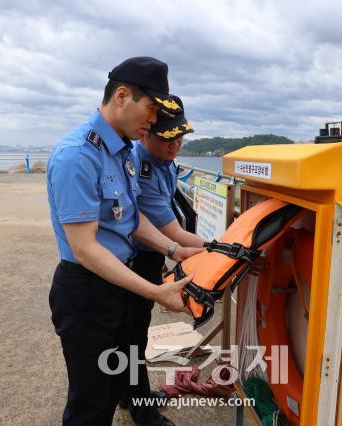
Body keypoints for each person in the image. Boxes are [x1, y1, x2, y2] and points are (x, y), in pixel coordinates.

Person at [47, 57, 202, 426]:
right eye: (151, 109)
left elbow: (130, 222)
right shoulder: (77, 157)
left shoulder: (118, 152)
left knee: (123, 370)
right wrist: (154, 292)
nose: (152, 121)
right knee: (91, 405)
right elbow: (85, 248)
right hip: (87, 292)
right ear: (121, 96)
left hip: (117, 284)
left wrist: (176, 249)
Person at [120, 96, 205, 425]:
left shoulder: (164, 161)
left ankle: (130, 394)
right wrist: (224, 247)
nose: (176, 146)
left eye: (180, 137)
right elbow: (176, 235)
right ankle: (142, 411)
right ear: (145, 136)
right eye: (168, 139)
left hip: (150, 254)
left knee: (134, 332)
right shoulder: (141, 169)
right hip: (134, 260)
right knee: (132, 334)